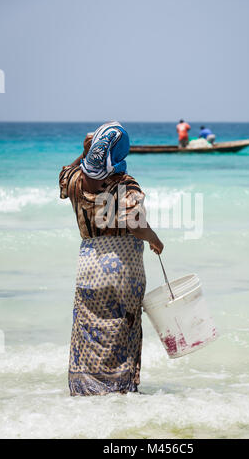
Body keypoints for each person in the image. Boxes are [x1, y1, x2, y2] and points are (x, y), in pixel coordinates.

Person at [59, 121, 164, 396]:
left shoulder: (75, 182)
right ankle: (119, 393)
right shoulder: (125, 184)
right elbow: (135, 225)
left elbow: (65, 173)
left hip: (89, 268)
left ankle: (88, 391)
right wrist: (154, 238)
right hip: (123, 271)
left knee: (89, 331)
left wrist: (84, 154)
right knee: (122, 330)